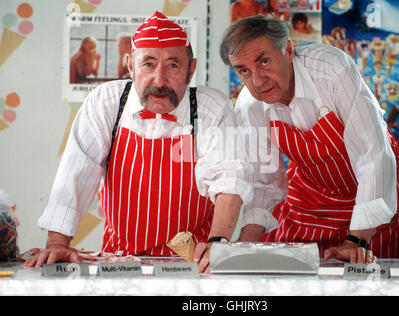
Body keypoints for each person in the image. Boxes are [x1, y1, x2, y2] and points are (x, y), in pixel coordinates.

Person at [25, 11, 252, 273]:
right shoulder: (106, 103)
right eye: (148, 64)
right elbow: (76, 171)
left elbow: (229, 179)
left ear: (192, 70)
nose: (160, 80)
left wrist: (218, 242)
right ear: (130, 66)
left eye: (173, 65)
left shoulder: (212, 108)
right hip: (118, 263)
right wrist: (57, 242)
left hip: (194, 266)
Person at [220, 15, 399, 263]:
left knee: (363, 272)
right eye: (243, 70)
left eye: (264, 61)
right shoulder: (249, 104)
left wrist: (357, 240)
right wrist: (242, 247)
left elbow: (371, 154)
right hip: (311, 193)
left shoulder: (331, 70)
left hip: (374, 185)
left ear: (288, 49)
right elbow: (263, 181)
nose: (256, 80)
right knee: (285, 269)